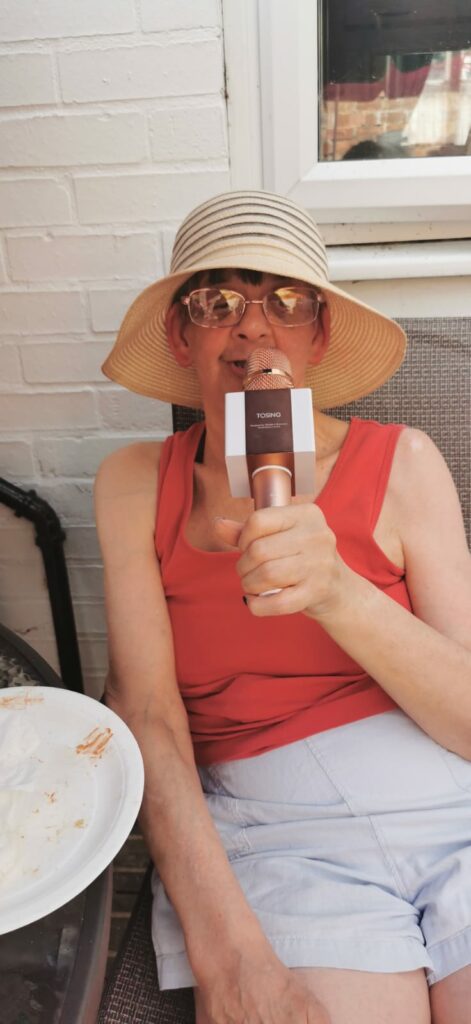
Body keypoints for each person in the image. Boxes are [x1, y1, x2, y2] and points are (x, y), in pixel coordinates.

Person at [94, 190, 471, 1024]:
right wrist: (227, 955)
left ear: (318, 334)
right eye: (217, 302)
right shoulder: (133, 483)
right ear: (181, 334)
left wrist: (338, 592)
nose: (253, 329)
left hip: (451, 806)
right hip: (274, 834)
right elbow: (147, 715)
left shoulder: (405, 460)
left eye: (287, 301)